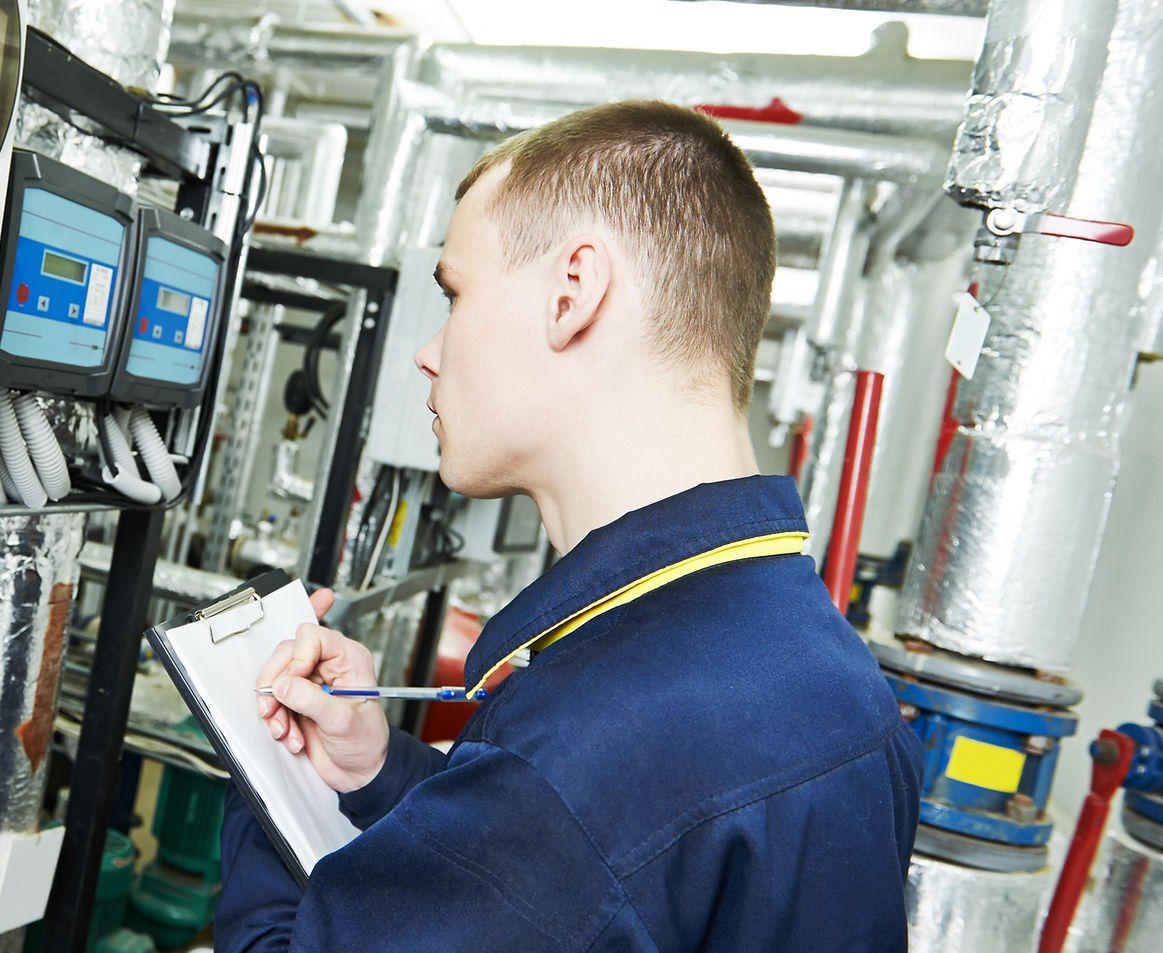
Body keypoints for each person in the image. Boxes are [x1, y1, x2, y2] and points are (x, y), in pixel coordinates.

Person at [216, 100, 924, 952]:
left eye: (454, 293)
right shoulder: (836, 677)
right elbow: (597, 886)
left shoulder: (584, 751)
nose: (427, 352)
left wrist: (265, 764)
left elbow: (578, 837)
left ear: (573, 291)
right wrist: (379, 770)